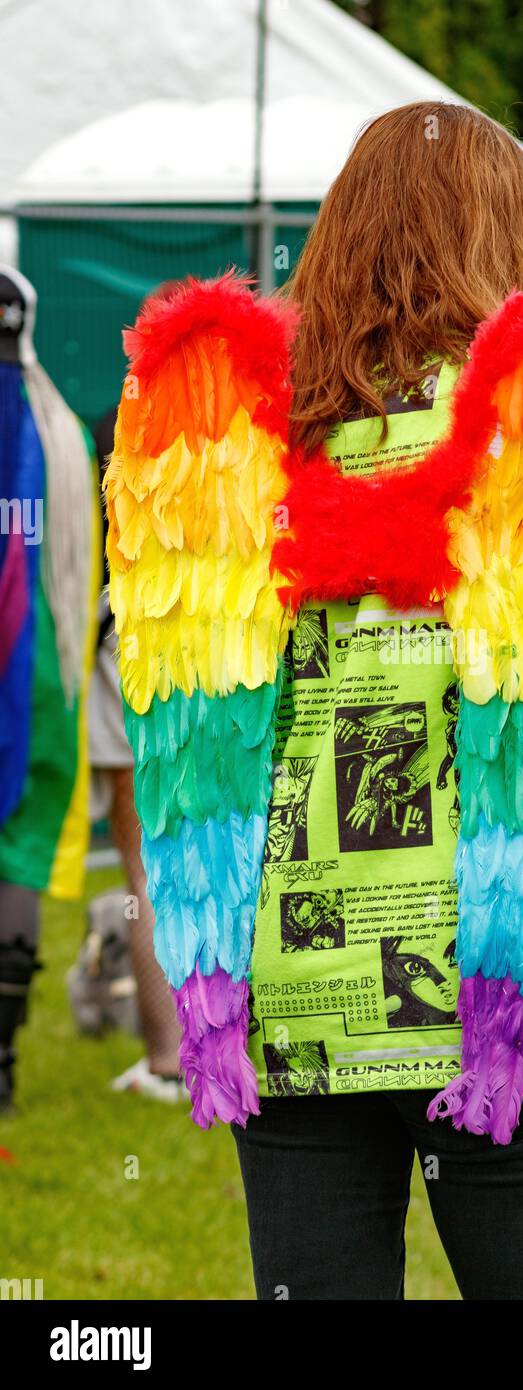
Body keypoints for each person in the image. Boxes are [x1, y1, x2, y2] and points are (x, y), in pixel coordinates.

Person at [106, 101, 523, 1300]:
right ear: (520, 239)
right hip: (514, 1011)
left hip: (291, 1012)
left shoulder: (229, 454)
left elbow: (176, 731)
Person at [0, 266, 100, 1110]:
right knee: (19, 853)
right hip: (41, 684)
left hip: (29, 671)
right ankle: (0, 1057)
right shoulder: (61, 427)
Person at [90, 405, 183, 1101]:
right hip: (214, 643)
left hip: (134, 639)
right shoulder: (239, 424)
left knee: (145, 863)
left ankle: (170, 1060)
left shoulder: (118, 425)